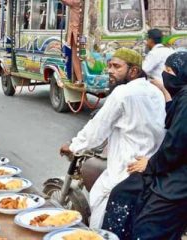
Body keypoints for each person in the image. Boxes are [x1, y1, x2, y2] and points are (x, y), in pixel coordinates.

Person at [60, 48, 166, 229]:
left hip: (126, 168)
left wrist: (74, 145)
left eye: (116, 66)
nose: (110, 70)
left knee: (99, 205)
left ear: (133, 71)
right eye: (109, 66)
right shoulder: (155, 92)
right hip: (151, 164)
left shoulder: (122, 93)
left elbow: (97, 130)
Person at [103, 52, 187, 240]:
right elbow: (171, 121)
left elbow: (175, 146)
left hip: (177, 180)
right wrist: (164, 91)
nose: (165, 75)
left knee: (146, 227)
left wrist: (150, 164)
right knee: (125, 192)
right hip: (170, 168)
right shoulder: (181, 97)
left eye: (169, 71)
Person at [61, 0, 83, 83]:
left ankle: (80, 79)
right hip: (84, 32)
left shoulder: (75, 1)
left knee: (75, 55)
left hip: (76, 31)